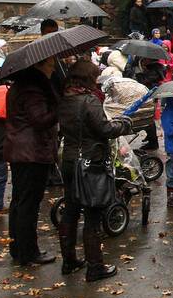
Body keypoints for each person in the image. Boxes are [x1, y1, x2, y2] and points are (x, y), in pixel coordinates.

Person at [56, 59, 132, 281]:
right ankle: (95, 266)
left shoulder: (65, 98)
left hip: (69, 160)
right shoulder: (89, 100)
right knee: (92, 214)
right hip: (89, 162)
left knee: (70, 211)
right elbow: (103, 128)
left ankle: (69, 261)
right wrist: (123, 124)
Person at [4, 55, 61, 266]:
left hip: (22, 150)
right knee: (28, 203)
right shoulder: (33, 89)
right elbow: (39, 120)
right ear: (39, 65)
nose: (53, 68)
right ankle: (28, 251)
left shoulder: (23, 85)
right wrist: (58, 109)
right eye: (50, 64)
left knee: (20, 202)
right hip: (31, 152)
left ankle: (18, 247)